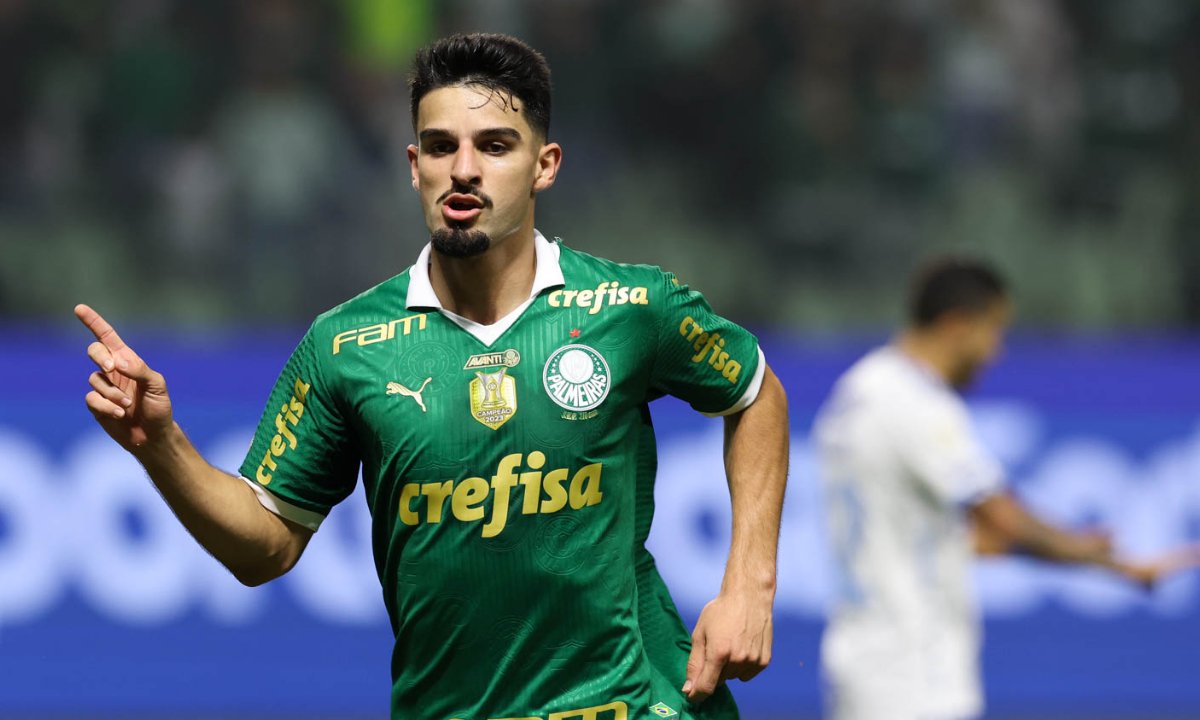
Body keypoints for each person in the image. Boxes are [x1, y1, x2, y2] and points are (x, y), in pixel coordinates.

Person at [75, 33, 788, 720]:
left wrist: (749, 587)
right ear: (414, 166)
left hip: (636, 701)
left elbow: (755, 392)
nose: (465, 169)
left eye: (495, 146)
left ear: (545, 165)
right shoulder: (346, 345)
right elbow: (265, 546)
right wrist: (160, 444)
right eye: (442, 147)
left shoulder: (631, 307)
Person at [813, 257, 1199, 720]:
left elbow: (967, 538)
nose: (996, 351)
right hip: (914, 672)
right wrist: (1102, 557)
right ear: (957, 324)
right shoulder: (917, 403)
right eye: (993, 329)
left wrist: (1099, 561)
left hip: (856, 660)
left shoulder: (855, 391)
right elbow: (1003, 517)